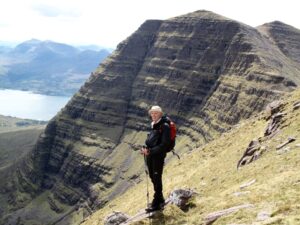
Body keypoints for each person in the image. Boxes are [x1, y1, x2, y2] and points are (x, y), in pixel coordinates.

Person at [141, 105, 171, 212]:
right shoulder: (154, 125)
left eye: (156, 113)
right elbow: (153, 140)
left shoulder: (165, 126)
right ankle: (160, 198)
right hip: (150, 155)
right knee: (153, 177)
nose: (153, 115)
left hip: (158, 156)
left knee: (157, 178)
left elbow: (164, 144)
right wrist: (146, 149)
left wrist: (150, 151)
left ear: (160, 114)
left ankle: (156, 203)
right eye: (152, 113)